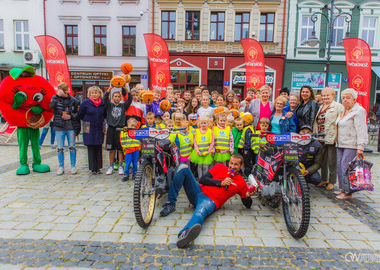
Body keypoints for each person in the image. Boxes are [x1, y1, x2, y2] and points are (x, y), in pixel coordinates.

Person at [159, 154, 256, 248]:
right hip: (198, 191)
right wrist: (220, 183)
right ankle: (170, 203)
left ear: (241, 165)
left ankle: (184, 235)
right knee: (183, 167)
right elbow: (202, 179)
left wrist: (247, 196)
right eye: (231, 163)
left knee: (199, 213)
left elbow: (247, 205)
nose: (232, 166)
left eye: (236, 164)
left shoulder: (241, 182)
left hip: (210, 201)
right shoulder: (219, 167)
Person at [335, 88, 368, 199]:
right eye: (343, 98)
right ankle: (343, 188)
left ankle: (348, 192)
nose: (345, 100)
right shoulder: (342, 111)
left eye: (348, 98)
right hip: (340, 143)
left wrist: (361, 147)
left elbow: (361, 130)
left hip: (351, 144)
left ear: (354, 99)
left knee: (346, 167)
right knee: (340, 166)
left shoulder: (359, 111)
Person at [313, 88, 343, 191]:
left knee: (332, 161)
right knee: (322, 160)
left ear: (333, 96)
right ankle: (324, 179)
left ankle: (332, 181)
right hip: (321, 137)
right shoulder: (321, 107)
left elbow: (340, 122)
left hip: (331, 137)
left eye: (328, 95)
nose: (325, 97)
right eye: (324, 95)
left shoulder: (338, 107)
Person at [50, 82, 80, 175]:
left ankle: (73, 166)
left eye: (63, 90)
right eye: (60, 90)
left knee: (72, 147)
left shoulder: (74, 100)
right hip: (59, 126)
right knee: (60, 148)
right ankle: (61, 166)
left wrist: (70, 116)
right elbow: (51, 107)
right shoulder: (55, 98)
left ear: (67, 90)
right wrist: (57, 97)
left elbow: (77, 114)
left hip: (70, 126)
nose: (61, 92)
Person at [76, 86, 107, 174]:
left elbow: (105, 114)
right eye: (92, 93)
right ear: (90, 94)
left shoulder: (102, 103)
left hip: (99, 126)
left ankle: (98, 167)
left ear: (99, 94)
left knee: (98, 147)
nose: (94, 94)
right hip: (89, 127)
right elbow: (80, 114)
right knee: (91, 147)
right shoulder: (86, 103)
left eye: (96, 93)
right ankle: (93, 168)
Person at [104, 85, 132, 175]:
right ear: (112, 98)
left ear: (121, 98)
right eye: (115, 96)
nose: (117, 98)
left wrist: (126, 89)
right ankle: (111, 166)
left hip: (120, 129)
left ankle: (120, 166)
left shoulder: (123, 106)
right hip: (111, 129)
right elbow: (104, 98)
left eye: (118, 96)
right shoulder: (109, 105)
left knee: (120, 149)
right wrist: (110, 88)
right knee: (111, 149)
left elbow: (130, 98)